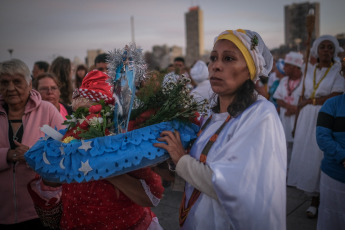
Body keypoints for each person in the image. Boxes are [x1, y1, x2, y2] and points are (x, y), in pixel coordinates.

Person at [154, 29, 287, 230]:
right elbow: (202, 167)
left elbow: (233, 186)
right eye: (213, 58)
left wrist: (181, 159)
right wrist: (168, 167)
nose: (216, 66)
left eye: (228, 59)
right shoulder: (211, 114)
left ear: (251, 69)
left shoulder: (261, 114)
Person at [28, 70, 164, 230]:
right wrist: (54, 173)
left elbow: (151, 196)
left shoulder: (124, 143)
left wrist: (101, 167)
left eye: (96, 112)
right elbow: (51, 185)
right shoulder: (68, 139)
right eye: (82, 112)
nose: (87, 119)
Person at [0, 59, 64, 229]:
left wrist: (34, 155)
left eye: (17, 82)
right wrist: (7, 154)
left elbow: (67, 147)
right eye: (4, 82)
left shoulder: (47, 110)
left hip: (39, 209)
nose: (11, 88)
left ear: (29, 84)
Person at [287, 35, 345, 218]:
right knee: (308, 156)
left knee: (320, 155)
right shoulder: (309, 70)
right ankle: (312, 196)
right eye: (322, 47)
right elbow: (300, 97)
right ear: (316, 51)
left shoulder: (338, 72)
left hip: (325, 116)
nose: (326, 50)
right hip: (305, 119)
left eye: (330, 47)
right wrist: (297, 121)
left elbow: (335, 95)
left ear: (334, 51)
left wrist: (309, 101)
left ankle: (318, 200)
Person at [315, 58, 345, 230]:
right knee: (332, 218)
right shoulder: (331, 104)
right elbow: (323, 137)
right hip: (335, 175)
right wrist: (343, 157)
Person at [273, 51, 304, 171]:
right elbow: (278, 99)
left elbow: (307, 100)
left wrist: (296, 110)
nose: (284, 67)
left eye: (287, 65)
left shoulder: (305, 82)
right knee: (284, 148)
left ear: (295, 67)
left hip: (300, 120)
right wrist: (290, 107)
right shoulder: (284, 81)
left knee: (299, 148)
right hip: (285, 119)